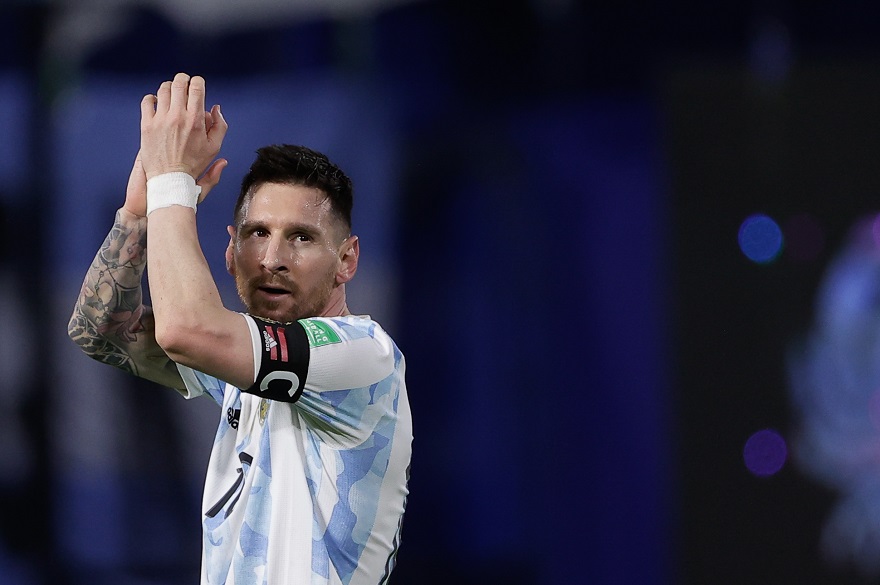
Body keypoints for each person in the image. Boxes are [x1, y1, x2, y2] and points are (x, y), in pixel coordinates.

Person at [67, 72, 412, 584]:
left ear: (347, 260)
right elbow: (98, 330)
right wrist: (137, 214)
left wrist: (171, 184)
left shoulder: (361, 356)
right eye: (257, 233)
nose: (272, 258)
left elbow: (186, 330)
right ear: (230, 252)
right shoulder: (247, 366)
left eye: (301, 237)